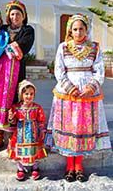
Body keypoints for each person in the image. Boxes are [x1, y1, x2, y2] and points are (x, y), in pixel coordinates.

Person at [45, 14, 111, 182]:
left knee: (82, 129)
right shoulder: (63, 47)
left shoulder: (95, 48)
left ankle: (79, 166)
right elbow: (59, 70)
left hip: (88, 95)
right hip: (68, 94)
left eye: (81, 28)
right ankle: (69, 165)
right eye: (75, 29)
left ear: (86, 30)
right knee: (69, 128)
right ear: (70, 30)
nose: (78, 32)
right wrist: (70, 88)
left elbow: (99, 70)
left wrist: (91, 87)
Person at [0, 1, 35, 153]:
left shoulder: (27, 30)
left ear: (24, 17)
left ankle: (12, 137)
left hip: (14, 73)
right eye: (12, 14)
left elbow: (24, 45)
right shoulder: (2, 28)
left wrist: (5, 46)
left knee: (13, 101)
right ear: (8, 17)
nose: (15, 16)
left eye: (18, 14)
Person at [7, 80, 47, 181]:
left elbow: (41, 119)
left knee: (34, 149)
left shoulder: (37, 107)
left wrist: (42, 130)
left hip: (34, 132)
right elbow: (13, 121)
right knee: (19, 149)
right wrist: (11, 117)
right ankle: (20, 168)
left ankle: (35, 167)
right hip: (20, 132)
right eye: (26, 94)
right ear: (21, 94)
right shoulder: (16, 107)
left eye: (31, 94)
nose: (29, 96)